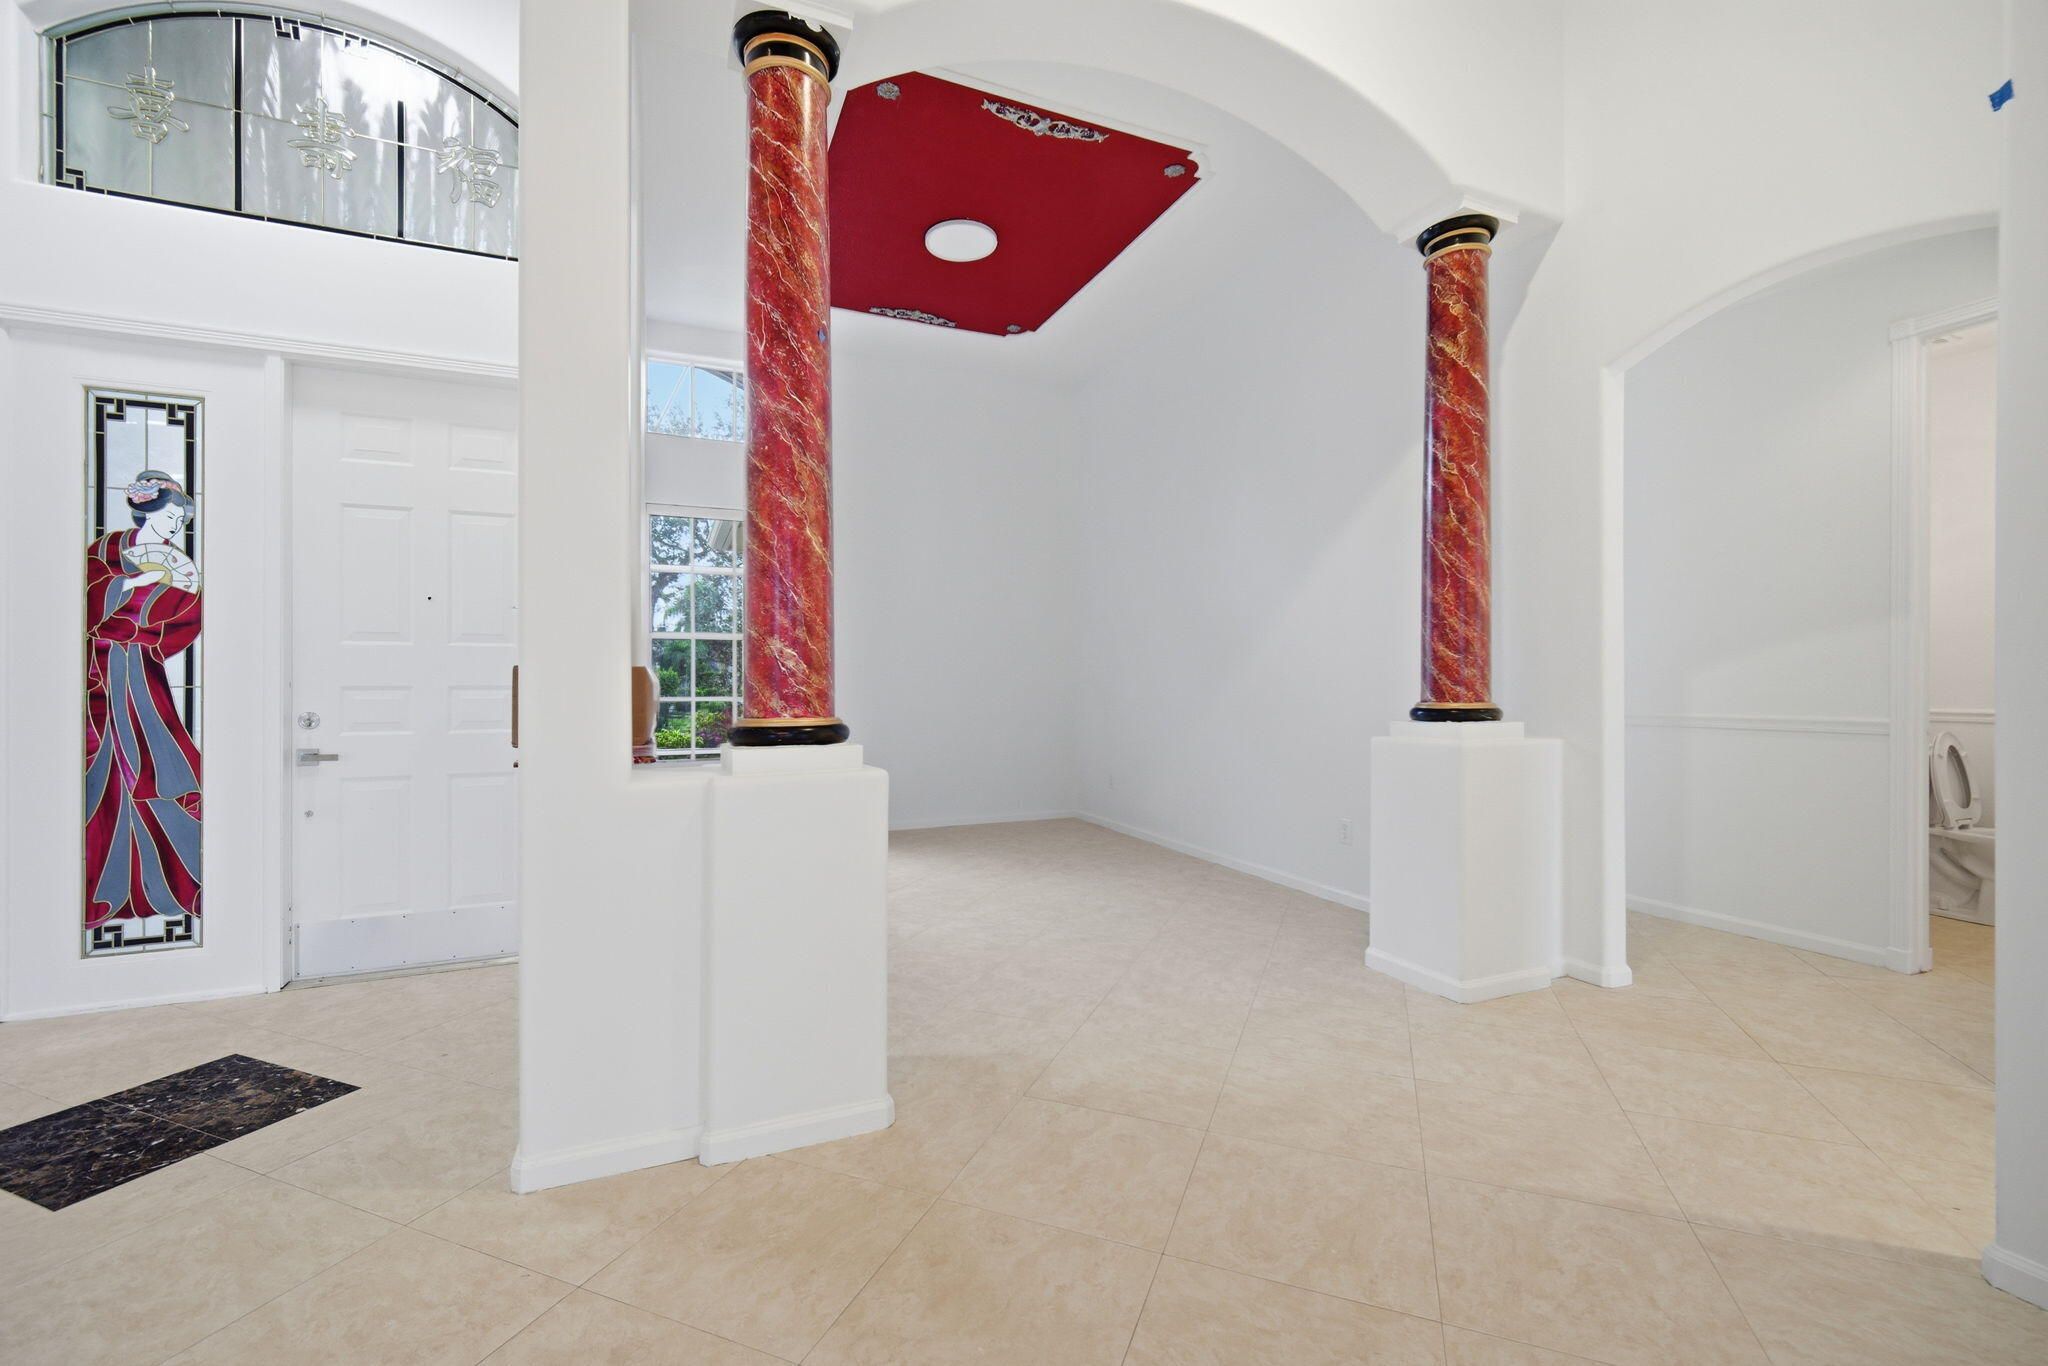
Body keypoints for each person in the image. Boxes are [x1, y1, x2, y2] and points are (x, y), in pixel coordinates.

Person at [83, 470, 203, 945]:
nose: (175, 528)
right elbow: (88, 600)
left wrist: (141, 630)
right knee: (103, 765)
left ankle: (167, 882)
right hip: (96, 670)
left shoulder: (181, 566)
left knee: (151, 761)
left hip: (140, 672)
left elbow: (186, 622)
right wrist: (130, 585)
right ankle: (104, 885)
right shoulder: (107, 550)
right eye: (171, 517)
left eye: (181, 521)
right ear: (147, 510)